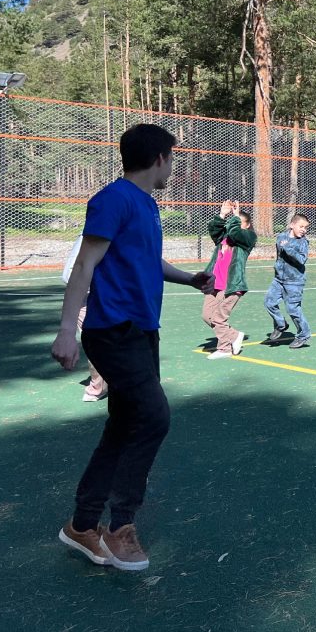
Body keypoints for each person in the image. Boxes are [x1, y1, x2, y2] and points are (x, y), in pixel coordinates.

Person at [52, 124, 213, 571]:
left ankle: (82, 525)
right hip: (112, 331)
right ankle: (120, 525)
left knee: (123, 427)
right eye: (172, 159)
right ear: (159, 158)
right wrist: (66, 330)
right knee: (154, 416)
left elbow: (146, 259)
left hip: (142, 332)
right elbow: (84, 264)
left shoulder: (146, 204)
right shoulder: (112, 199)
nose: (173, 167)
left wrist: (189, 278)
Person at [202, 200, 258, 360]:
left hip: (231, 286)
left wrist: (235, 218)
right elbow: (214, 229)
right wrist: (222, 214)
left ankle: (224, 348)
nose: (235, 224)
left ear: (247, 225)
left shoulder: (248, 238)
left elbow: (235, 232)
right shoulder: (224, 237)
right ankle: (234, 336)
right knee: (207, 316)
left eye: (240, 222)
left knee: (219, 318)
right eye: (234, 221)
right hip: (214, 284)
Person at [63, 234, 106, 402]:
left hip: (104, 297)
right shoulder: (92, 236)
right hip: (88, 296)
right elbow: (72, 273)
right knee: (96, 343)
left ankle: (103, 384)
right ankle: (98, 387)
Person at [265, 213, 312, 349]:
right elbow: (279, 254)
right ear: (292, 225)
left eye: (306, 227)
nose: (303, 230)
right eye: (301, 226)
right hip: (279, 279)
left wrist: (289, 248)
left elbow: (302, 259)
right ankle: (281, 324)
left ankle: (303, 334)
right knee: (269, 302)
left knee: (293, 309)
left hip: (294, 281)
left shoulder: (303, 242)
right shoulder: (281, 237)